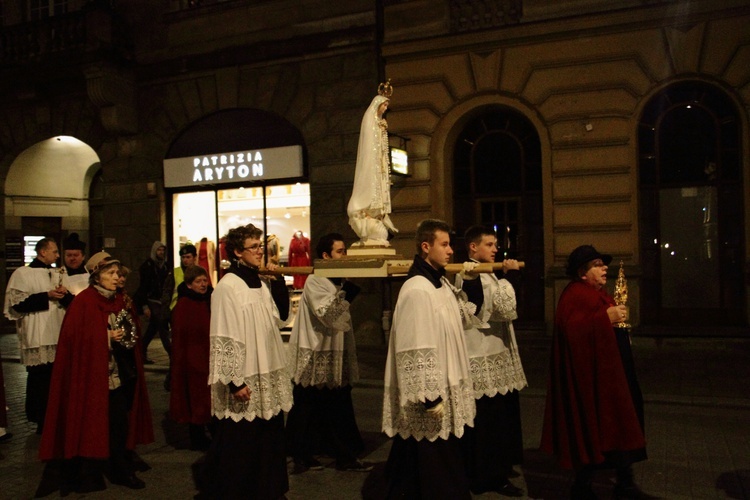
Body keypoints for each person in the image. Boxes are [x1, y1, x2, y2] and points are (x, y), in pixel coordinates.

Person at [541, 245, 652, 499]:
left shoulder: (595, 293)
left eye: (604, 264)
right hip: (593, 380)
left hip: (613, 374)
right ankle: (584, 486)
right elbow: (572, 331)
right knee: (595, 426)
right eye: (598, 265)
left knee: (620, 423)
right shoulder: (575, 295)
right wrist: (606, 318)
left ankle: (623, 480)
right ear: (582, 272)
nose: (605, 269)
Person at [39, 252, 154, 494]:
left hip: (117, 376)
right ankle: (88, 472)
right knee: (91, 424)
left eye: (118, 273)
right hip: (92, 378)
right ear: (96, 277)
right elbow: (75, 339)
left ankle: (121, 469)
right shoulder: (84, 302)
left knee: (118, 425)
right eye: (111, 274)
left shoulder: (118, 300)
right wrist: (106, 337)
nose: (117, 277)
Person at [379, 219, 476, 499]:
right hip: (429, 395)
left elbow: (462, 320)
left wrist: (470, 283)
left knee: (418, 459)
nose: (450, 251)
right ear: (425, 246)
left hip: (443, 385)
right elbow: (415, 344)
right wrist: (428, 394)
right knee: (432, 461)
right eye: (444, 244)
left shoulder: (440, 282)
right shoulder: (417, 288)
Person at [201, 224, 293, 500]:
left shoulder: (260, 281)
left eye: (260, 245)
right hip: (245, 376)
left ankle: (269, 490)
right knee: (242, 443)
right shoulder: (228, 287)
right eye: (253, 247)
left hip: (266, 369)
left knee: (269, 437)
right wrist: (234, 382)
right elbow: (223, 335)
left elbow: (280, 317)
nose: (259, 251)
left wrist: (277, 281)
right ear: (238, 252)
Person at [286, 233, 370, 473]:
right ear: (326, 256)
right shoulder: (316, 281)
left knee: (332, 404)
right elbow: (329, 315)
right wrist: (350, 295)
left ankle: (338, 453)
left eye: (345, 250)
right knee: (306, 405)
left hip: (333, 352)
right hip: (315, 353)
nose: (344, 255)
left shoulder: (337, 279)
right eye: (340, 251)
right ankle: (302, 454)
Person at [454, 225, 526, 497]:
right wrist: (512, 276)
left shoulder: (488, 273)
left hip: (496, 356)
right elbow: (500, 310)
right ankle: (487, 476)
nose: (496, 249)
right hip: (480, 357)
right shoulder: (468, 273)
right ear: (473, 247)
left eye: (495, 244)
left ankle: (497, 469)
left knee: (499, 419)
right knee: (487, 423)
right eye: (490, 244)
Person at [3, 237, 68, 434]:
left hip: (57, 331)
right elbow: (17, 304)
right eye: (55, 251)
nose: (58, 255)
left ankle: (57, 417)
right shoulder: (23, 273)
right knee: (39, 380)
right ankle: (40, 419)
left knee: (57, 378)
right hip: (38, 333)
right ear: (42, 252)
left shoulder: (58, 272)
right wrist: (45, 296)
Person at [347, 82, 398, 246]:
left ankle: (377, 214)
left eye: (386, 106)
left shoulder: (380, 123)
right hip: (372, 161)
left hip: (379, 162)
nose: (385, 108)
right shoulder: (370, 121)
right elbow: (369, 141)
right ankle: (367, 210)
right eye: (384, 105)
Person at [169, 265, 213, 451]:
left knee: (206, 397)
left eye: (205, 280)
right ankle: (197, 436)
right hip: (193, 359)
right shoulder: (184, 305)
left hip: (207, 356)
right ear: (189, 285)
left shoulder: (208, 300)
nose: (203, 285)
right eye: (198, 282)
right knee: (196, 398)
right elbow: (182, 336)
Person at [134, 241, 170, 363]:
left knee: (153, 328)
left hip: (160, 301)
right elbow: (143, 287)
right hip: (151, 300)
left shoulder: (165, 266)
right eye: (159, 250)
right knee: (162, 327)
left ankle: (141, 352)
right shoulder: (147, 266)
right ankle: (172, 354)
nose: (161, 252)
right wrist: (144, 306)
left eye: (163, 250)